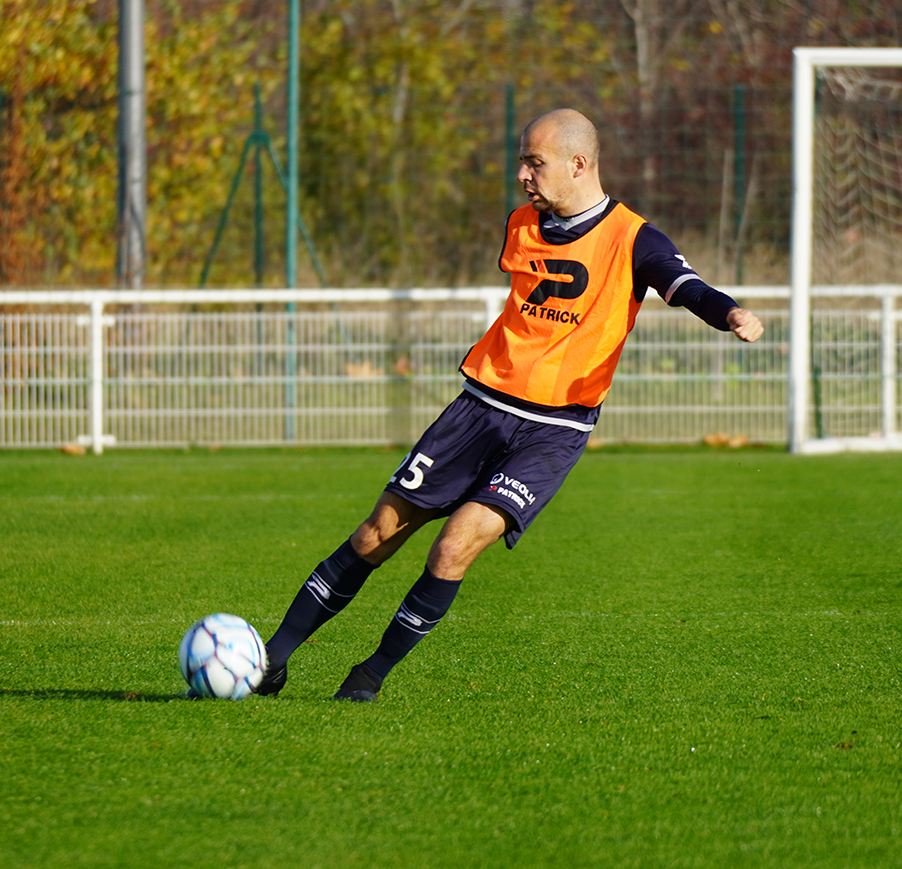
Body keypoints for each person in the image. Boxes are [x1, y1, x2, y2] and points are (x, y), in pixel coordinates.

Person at [257, 108, 763, 702]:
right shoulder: (521, 222)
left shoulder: (635, 239)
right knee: (375, 535)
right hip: (477, 409)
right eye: (522, 160)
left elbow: (686, 286)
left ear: (579, 164)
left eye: (534, 162)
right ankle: (271, 660)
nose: (522, 174)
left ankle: (369, 676)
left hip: (553, 430)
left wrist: (728, 313)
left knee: (455, 545)